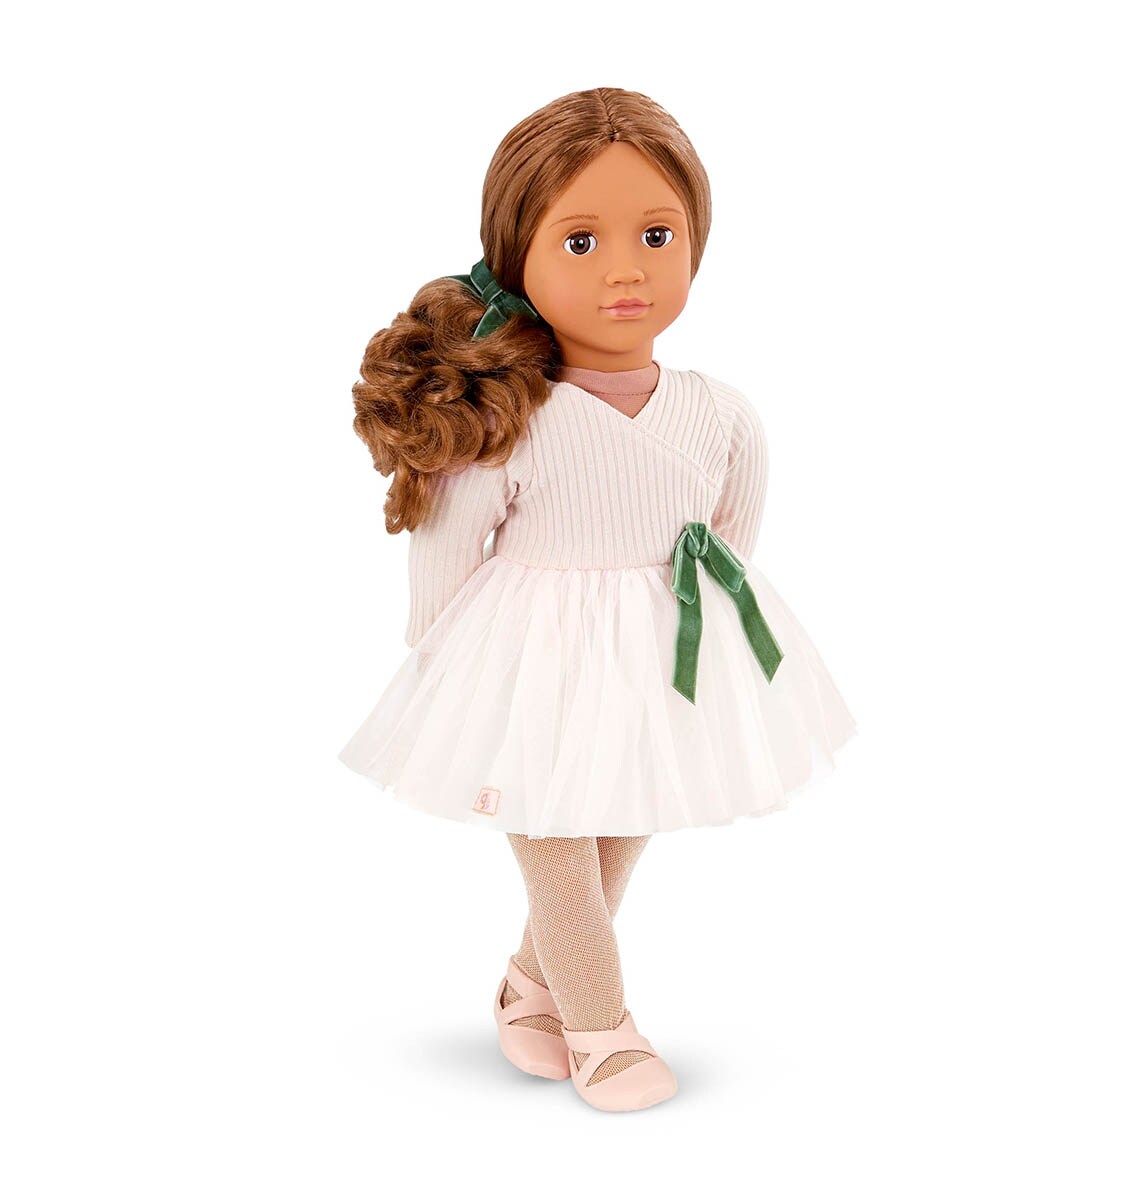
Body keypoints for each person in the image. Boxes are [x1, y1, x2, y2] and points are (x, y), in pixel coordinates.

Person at [338, 87, 857, 1112]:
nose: (626, 269)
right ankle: (602, 1026)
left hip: (655, 646)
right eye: (581, 241)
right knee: (556, 840)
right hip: (528, 654)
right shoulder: (512, 420)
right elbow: (449, 548)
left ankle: (530, 986)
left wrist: (693, 635)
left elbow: (730, 539)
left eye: (657, 236)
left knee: (625, 813)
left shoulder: (722, 413)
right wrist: (446, 668)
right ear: (517, 258)